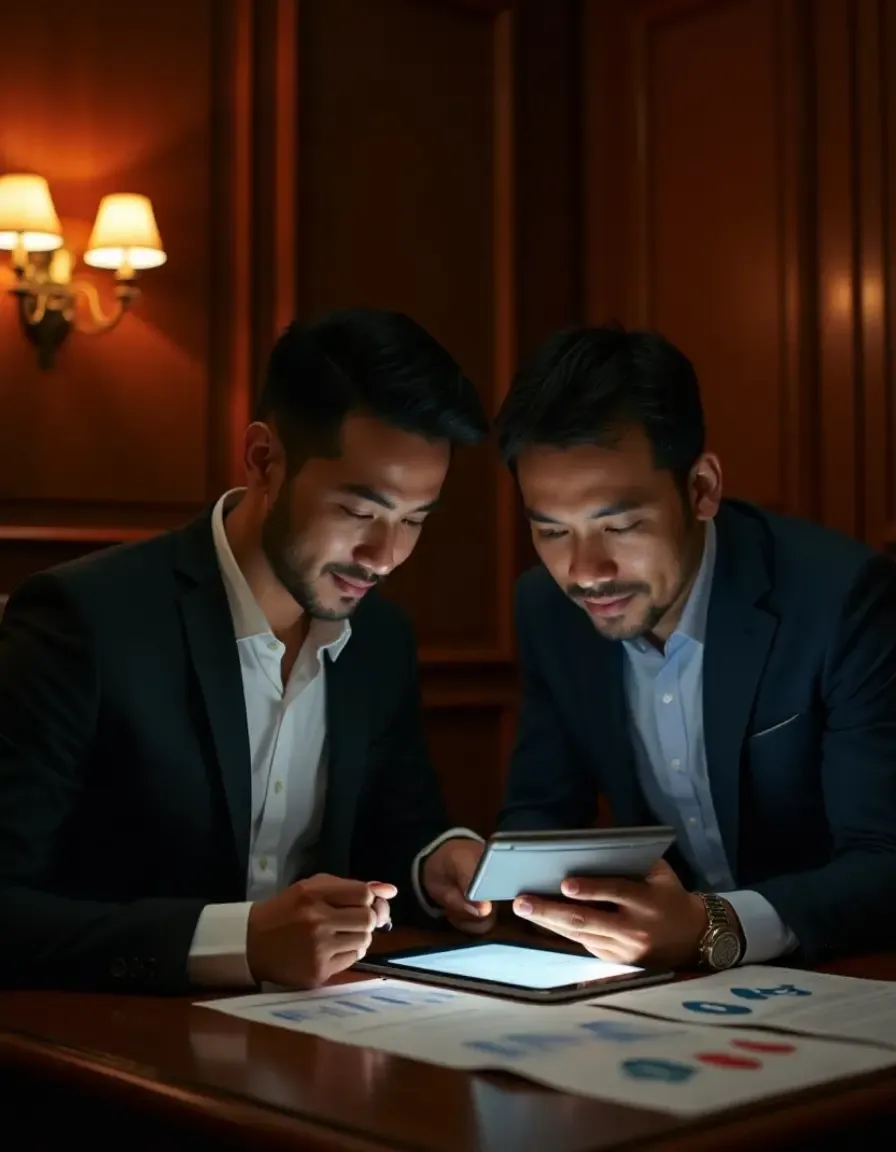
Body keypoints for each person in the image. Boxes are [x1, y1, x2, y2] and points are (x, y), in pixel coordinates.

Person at [0, 308, 494, 993]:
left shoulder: (381, 641)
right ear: (265, 459)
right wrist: (239, 941)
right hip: (112, 1042)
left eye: (414, 519)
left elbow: (396, 828)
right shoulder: (85, 620)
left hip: (319, 1035)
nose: (386, 556)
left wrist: (438, 863)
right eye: (359, 512)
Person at [489, 323, 896, 971]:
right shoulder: (546, 607)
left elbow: (884, 858)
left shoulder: (839, 600)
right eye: (552, 531)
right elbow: (543, 810)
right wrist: (495, 884)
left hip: (844, 971)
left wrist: (714, 925)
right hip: (657, 985)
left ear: (702, 488)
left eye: (619, 525)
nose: (585, 570)